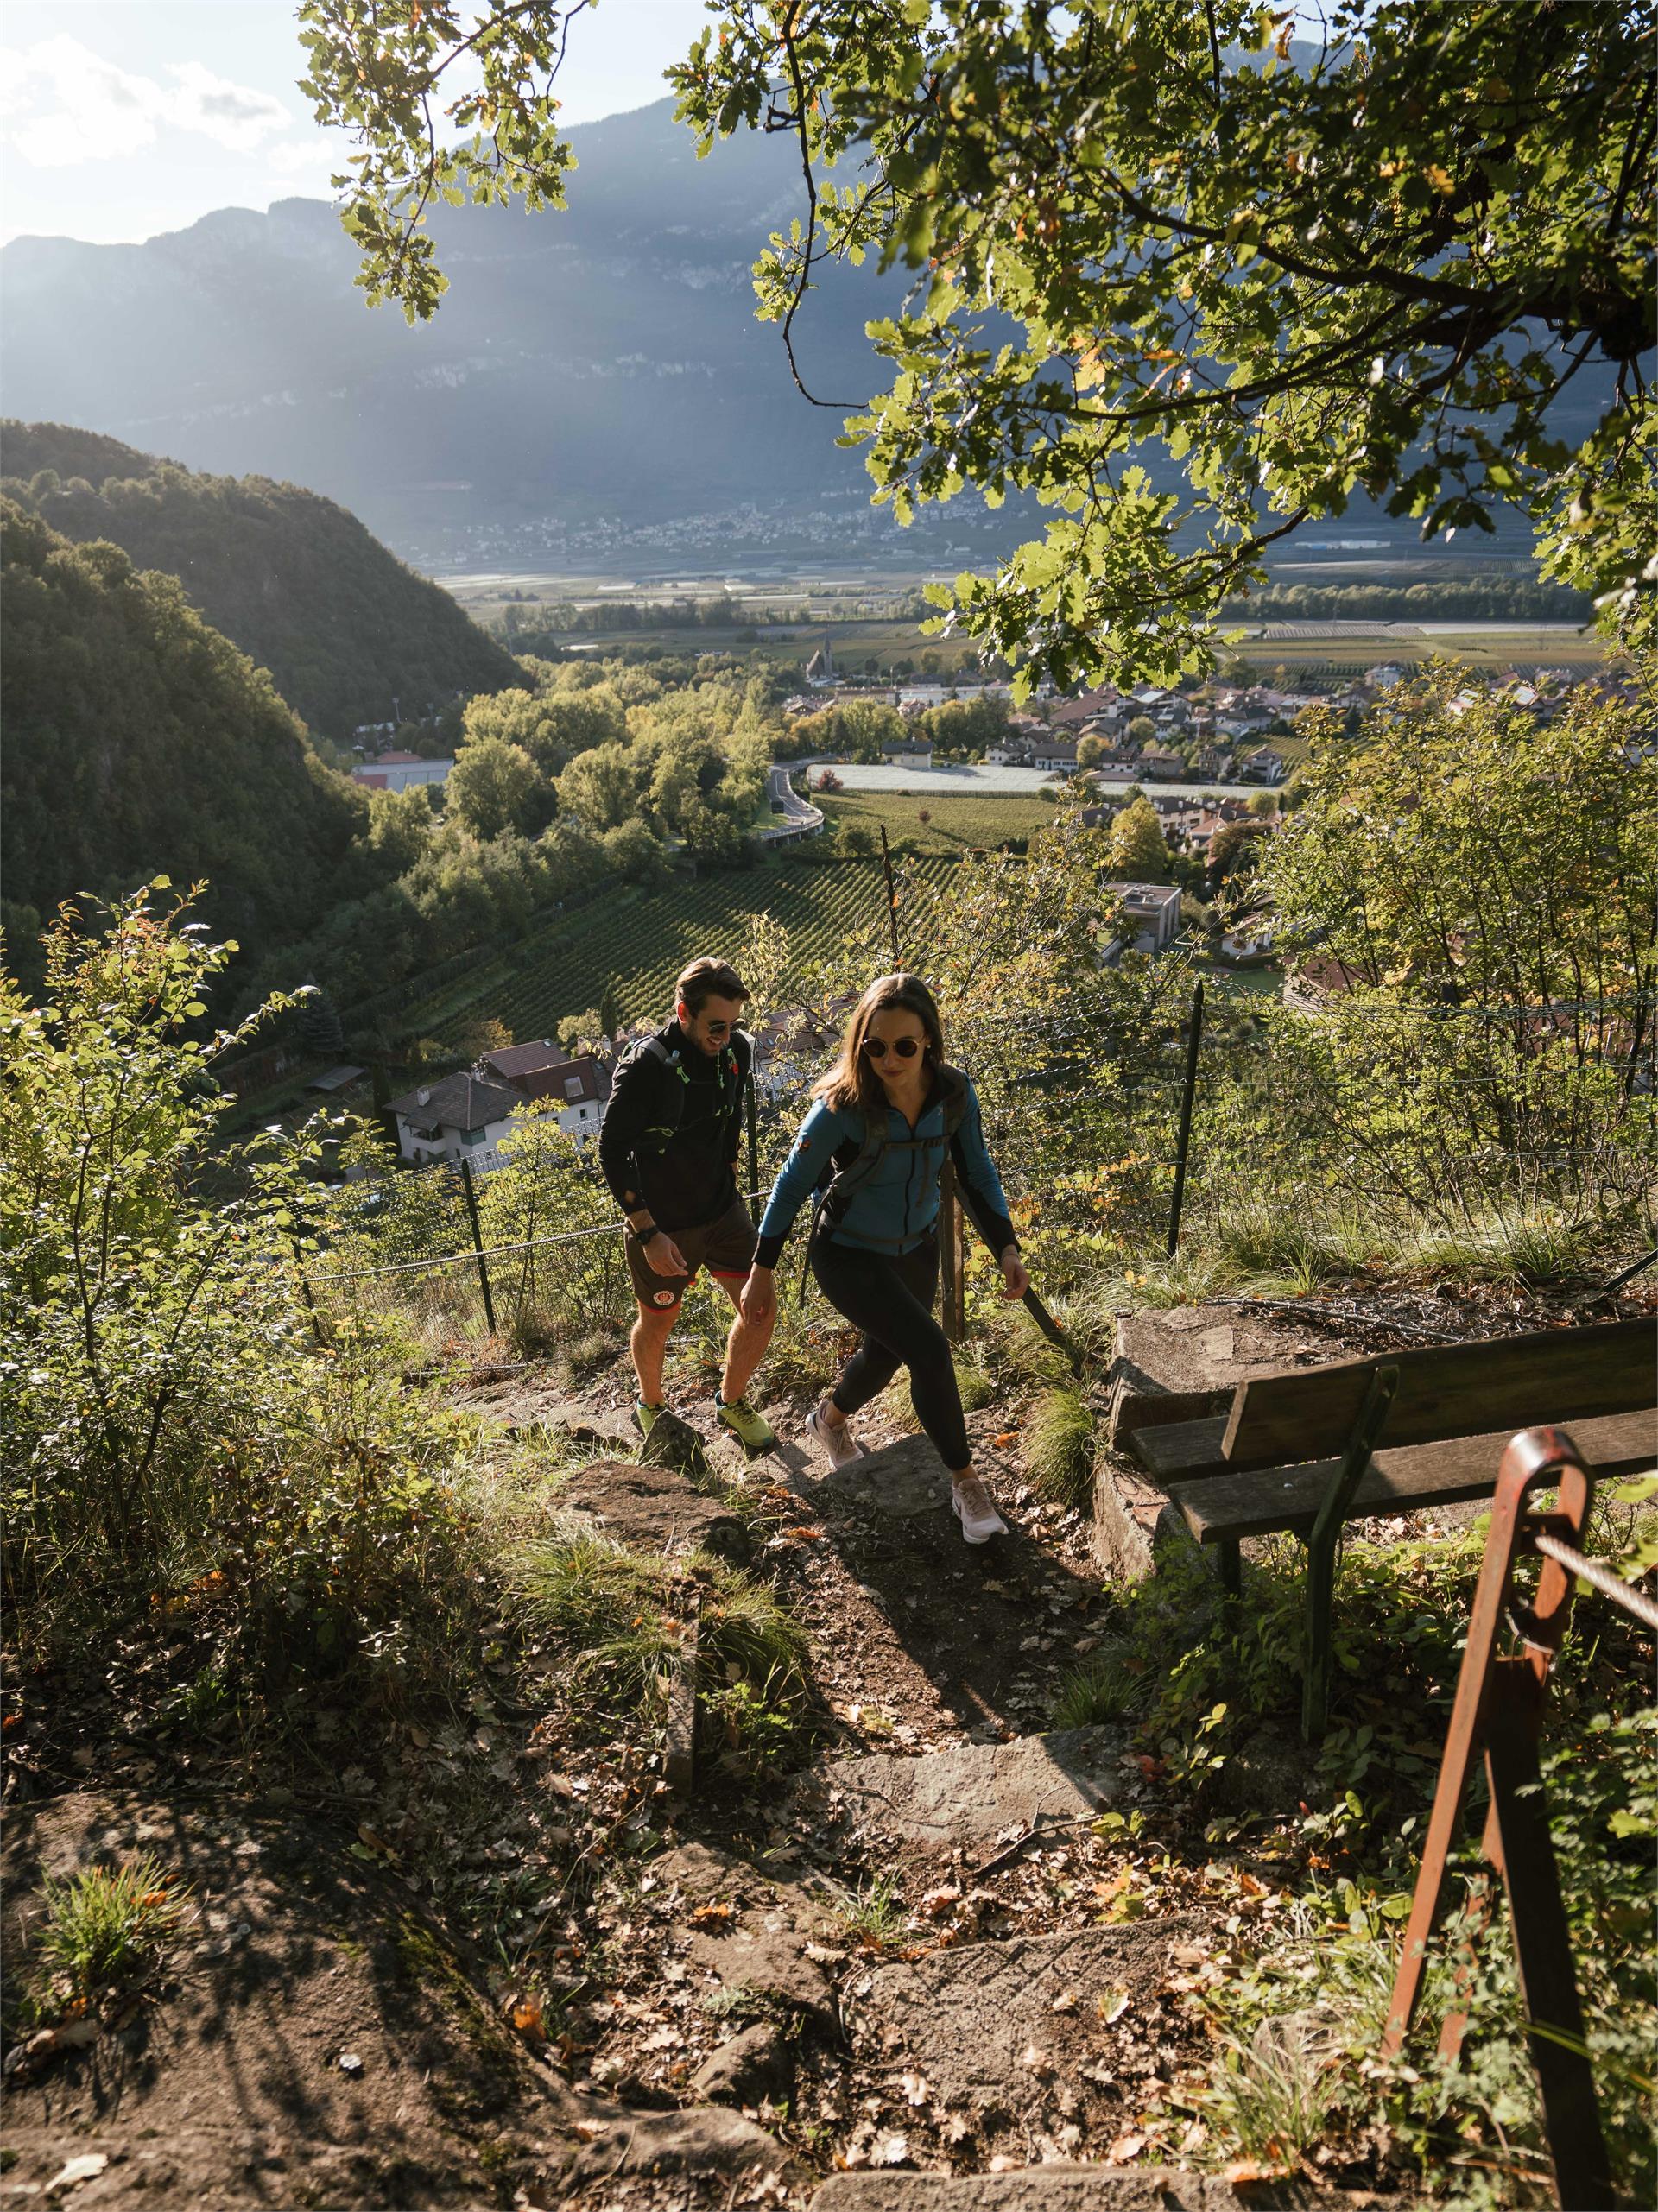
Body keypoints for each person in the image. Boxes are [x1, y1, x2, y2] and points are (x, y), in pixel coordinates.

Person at [738, 973, 1029, 1543]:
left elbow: (977, 1171)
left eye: (904, 1046)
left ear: (929, 1043)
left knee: (889, 1354)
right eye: (875, 1046)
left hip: (916, 1245)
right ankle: (965, 1484)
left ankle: (828, 1421)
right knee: (927, 1348)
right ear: (859, 1044)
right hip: (847, 1253)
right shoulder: (840, 1108)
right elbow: (790, 1187)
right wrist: (761, 1273)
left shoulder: (953, 1095)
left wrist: (1006, 1247)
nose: (889, 1059)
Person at [598, 957, 775, 1451]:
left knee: (759, 1308)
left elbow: (731, 1117)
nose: (725, 1035)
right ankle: (651, 1406)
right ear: (683, 1012)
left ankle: (731, 1401)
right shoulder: (646, 1067)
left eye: (733, 1024)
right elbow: (611, 1150)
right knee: (659, 1320)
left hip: (723, 1211)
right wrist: (648, 1233)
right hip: (663, 1224)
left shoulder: (735, 1052)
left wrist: (732, 1171)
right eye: (715, 1025)